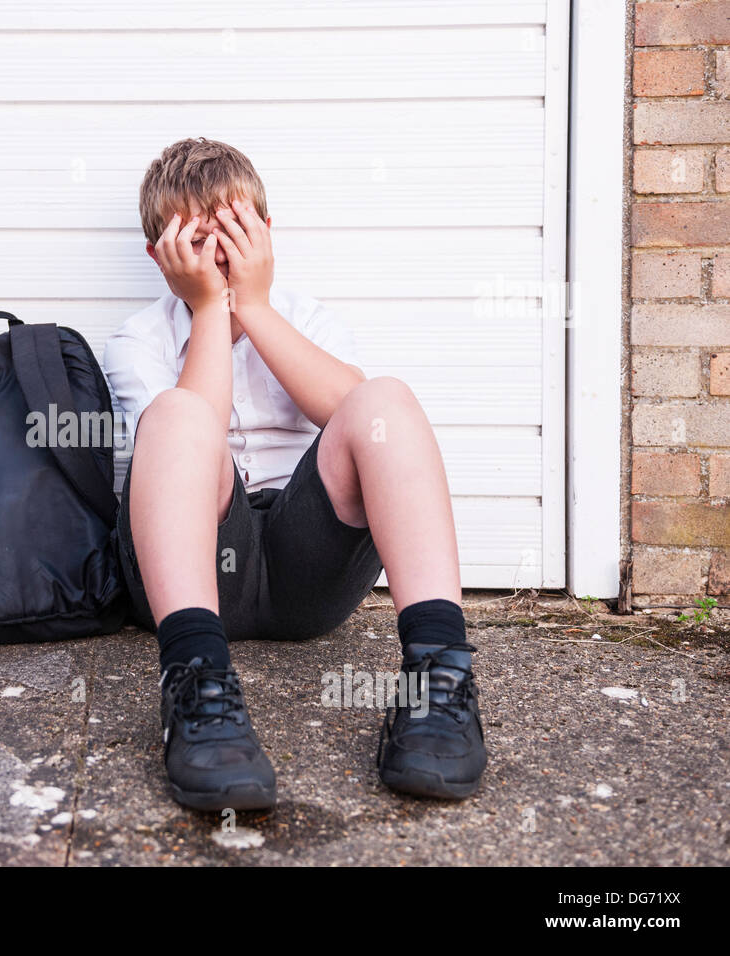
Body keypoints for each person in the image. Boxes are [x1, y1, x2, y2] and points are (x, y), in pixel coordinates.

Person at [103, 137, 487, 811]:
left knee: (382, 399)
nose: (218, 258)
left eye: (232, 234)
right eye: (197, 243)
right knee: (175, 415)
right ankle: (198, 685)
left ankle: (439, 678)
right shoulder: (139, 340)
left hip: (304, 569)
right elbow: (200, 423)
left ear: (266, 234)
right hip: (195, 576)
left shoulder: (307, 320)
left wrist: (252, 306)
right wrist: (207, 313)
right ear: (160, 257)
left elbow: (358, 420)